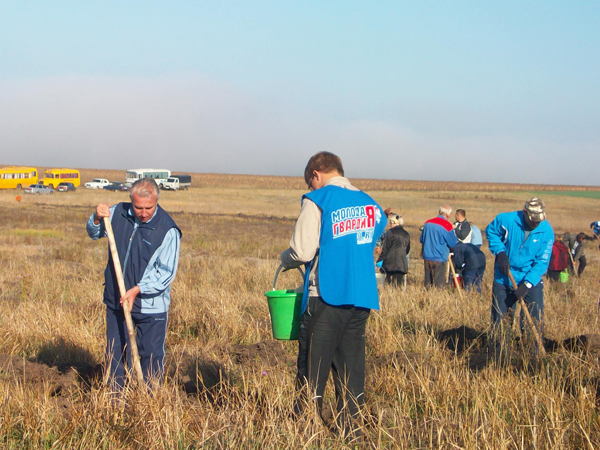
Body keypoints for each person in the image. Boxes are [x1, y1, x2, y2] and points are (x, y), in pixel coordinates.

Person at [280, 152, 386, 439]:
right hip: (361, 296)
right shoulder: (372, 205)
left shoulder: (318, 199)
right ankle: (351, 430)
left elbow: (302, 251)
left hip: (325, 295)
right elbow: (371, 240)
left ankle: (305, 430)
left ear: (316, 174)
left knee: (313, 366)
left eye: (311, 182)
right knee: (351, 368)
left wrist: (284, 260)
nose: (313, 187)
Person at [87, 178, 181, 390]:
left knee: (151, 356)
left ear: (156, 201)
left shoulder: (168, 229)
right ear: (131, 201)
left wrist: (137, 290)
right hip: (116, 300)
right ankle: (115, 403)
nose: (144, 212)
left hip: (151, 306)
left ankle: (149, 404)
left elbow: (165, 274)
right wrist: (95, 218)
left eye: (149, 207)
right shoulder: (117, 212)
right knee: (115, 353)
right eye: (138, 207)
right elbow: (94, 233)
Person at [485, 197, 553, 349]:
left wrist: (527, 284)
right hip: (504, 277)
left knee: (533, 318)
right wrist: (500, 252)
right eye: (533, 220)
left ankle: (531, 353)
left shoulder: (546, 231)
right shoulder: (507, 219)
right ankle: (499, 353)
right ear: (525, 212)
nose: (536, 223)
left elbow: (542, 262)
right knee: (501, 319)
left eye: (539, 220)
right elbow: (491, 232)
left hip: (530, 279)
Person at [420, 205, 458, 288]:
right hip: (439, 258)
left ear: (439, 212)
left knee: (428, 284)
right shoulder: (446, 225)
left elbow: (421, 239)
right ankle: (437, 299)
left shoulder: (427, 223)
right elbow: (453, 243)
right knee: (439, 285)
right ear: (449, 214)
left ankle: (426, 299)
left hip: (427, 256)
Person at [377, 214, 410, 286]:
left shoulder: (390, 232)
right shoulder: (406, 234)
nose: (390, 225)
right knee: (398, 286)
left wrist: (380, 260)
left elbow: (386, 248)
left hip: (390, 265)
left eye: (391, 223)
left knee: (388, 285)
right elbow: (407, 250)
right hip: (402, 265)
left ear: (394, 223)